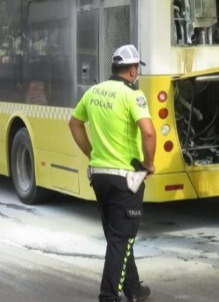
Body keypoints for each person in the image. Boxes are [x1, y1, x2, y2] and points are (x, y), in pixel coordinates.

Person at [69, 44, 157, 302]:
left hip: (99, 175)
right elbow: (149, 132)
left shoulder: (93, 92)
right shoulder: (133, 95)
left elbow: (74, 123)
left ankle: (133, 289)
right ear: (132, 70)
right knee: (123, 237)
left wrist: (91, 153)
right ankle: (109, 295)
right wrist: (149, 164)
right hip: (125, 178)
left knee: (116, 235)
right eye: (136, 70)